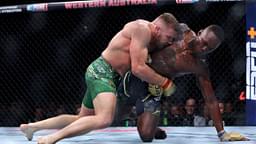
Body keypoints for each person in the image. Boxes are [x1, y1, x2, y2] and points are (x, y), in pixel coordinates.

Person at [19, 13, 179, 144]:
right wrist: (164, 82)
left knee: (82, 118)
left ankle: (32, 127)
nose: (169, 42)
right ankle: (52, 138)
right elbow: (138, 68)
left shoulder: (151, 39)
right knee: (104, 119)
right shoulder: (142, 29)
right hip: (103, 71)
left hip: (106, 74)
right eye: (169, 37)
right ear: (157, 29)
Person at [118, 23, 249, 142]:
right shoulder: (180, 30)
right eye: (203, 42)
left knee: (146, 136)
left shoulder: (199, 67)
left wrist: (222, 133)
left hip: (154, 88)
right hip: (139, 71)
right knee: (115, 114)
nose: (203, 48)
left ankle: (148, 124)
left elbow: (210, 99)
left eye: (209, 48)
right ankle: (141, 116)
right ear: (199, 32)